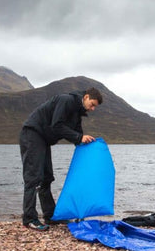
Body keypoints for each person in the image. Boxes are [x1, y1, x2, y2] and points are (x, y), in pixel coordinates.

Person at [19, 87, 103, 231]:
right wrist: (78, 137)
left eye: (95, 106)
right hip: (32, 134)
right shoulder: (66, 100)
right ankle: (29, 219)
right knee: (33, 177)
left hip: (43, 139)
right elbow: (57, 125)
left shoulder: (77, 112)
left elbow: (78, 134)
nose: (93, 109)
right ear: (86, 97)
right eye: (93, 104)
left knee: (47, 178)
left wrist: (88, 145)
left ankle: (51, 216)